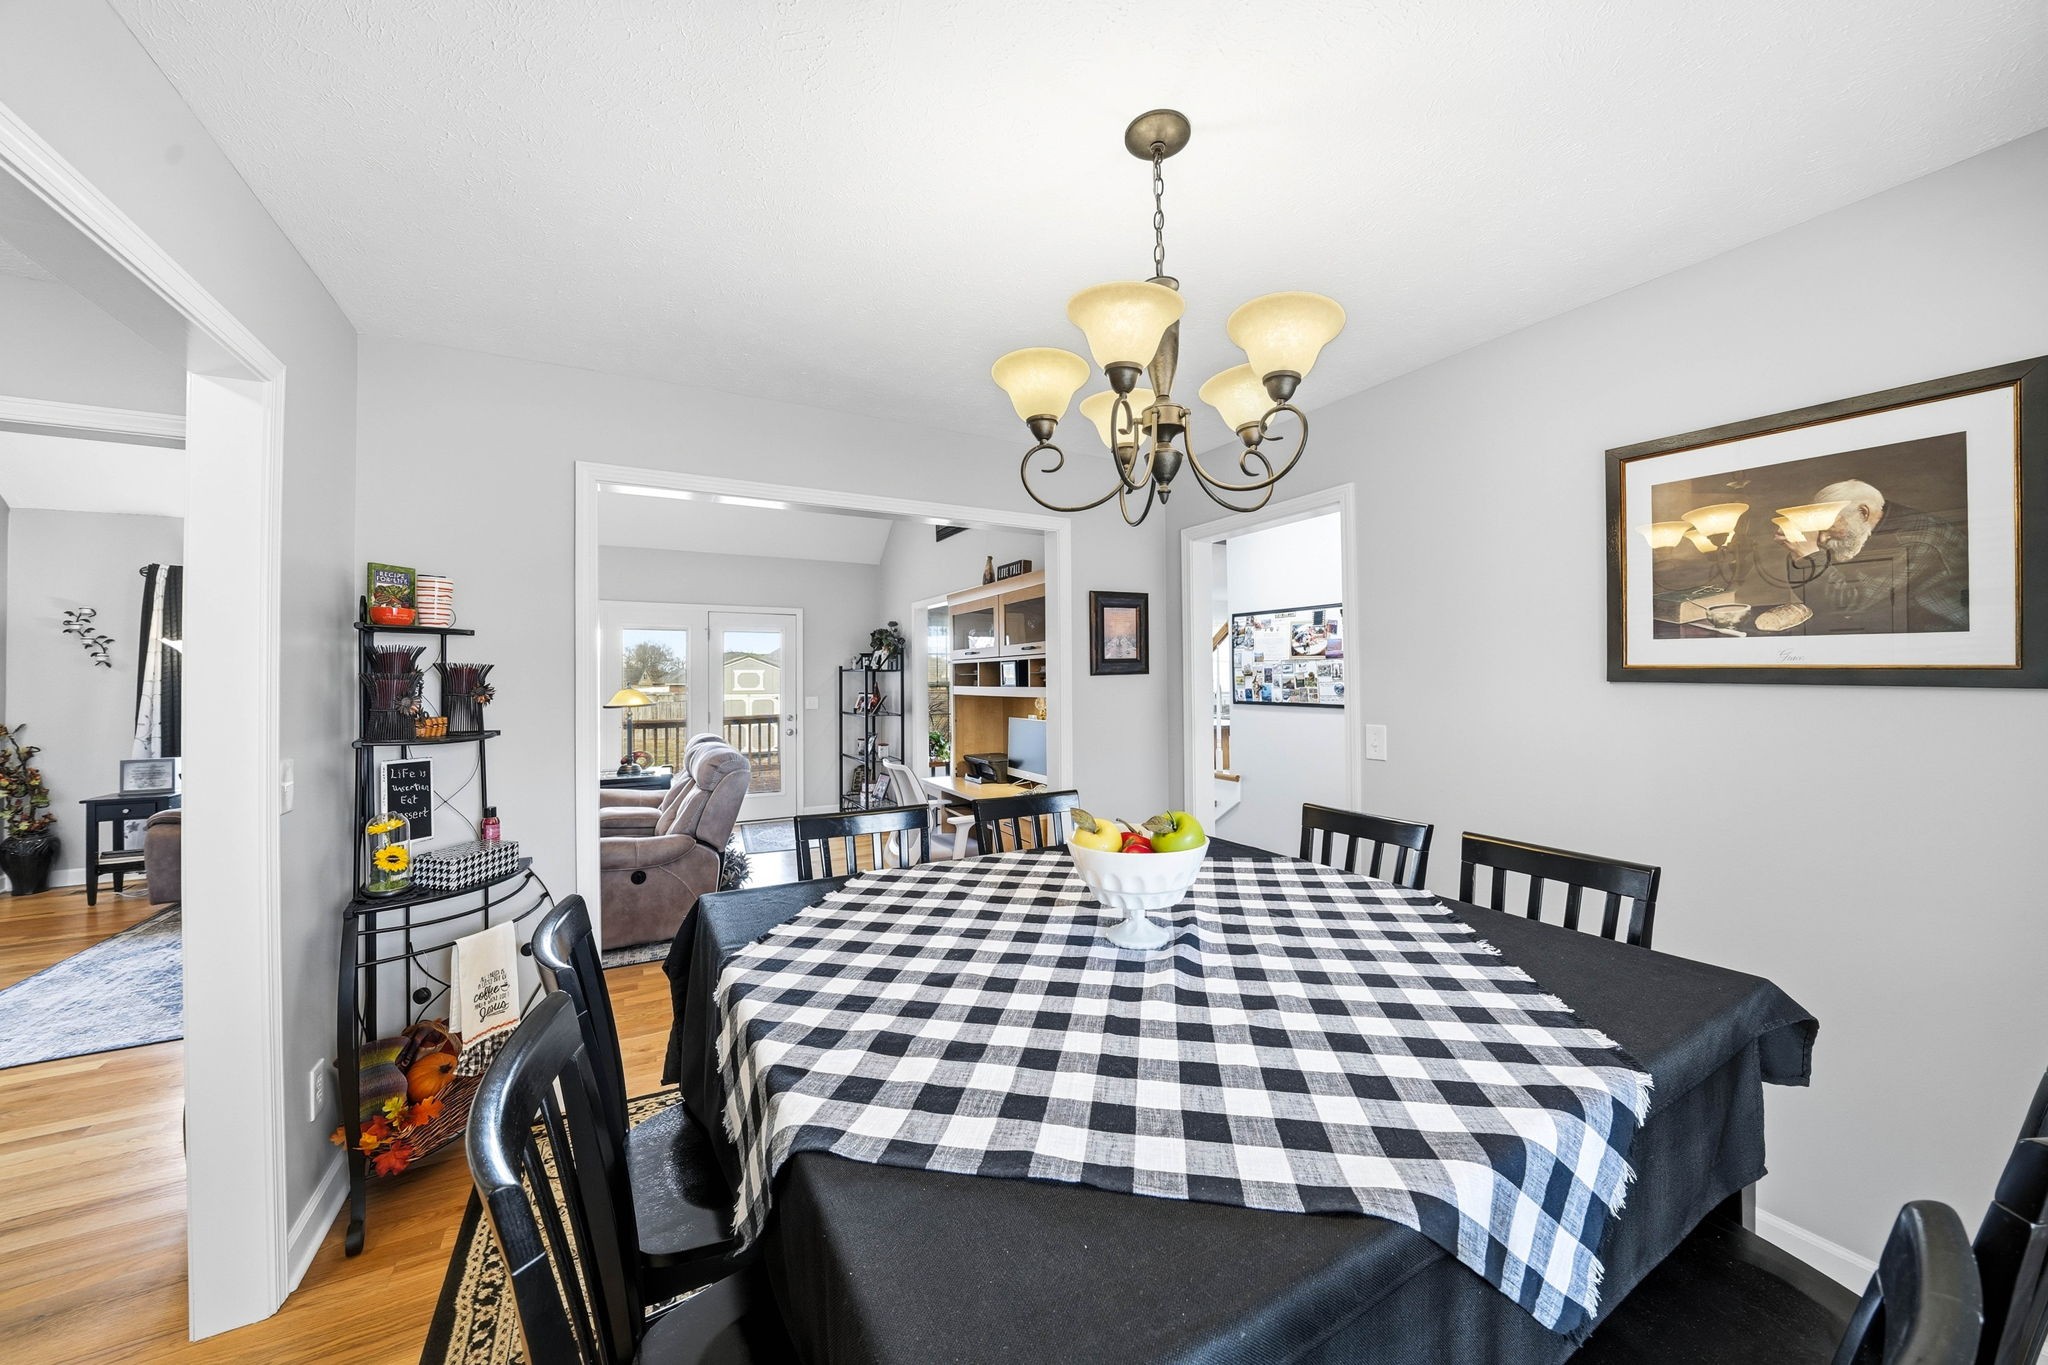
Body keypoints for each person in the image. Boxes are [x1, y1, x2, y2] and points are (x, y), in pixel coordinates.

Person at [1772, 478, 1967, 631]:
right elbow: (1817, 595)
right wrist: (1800, 554)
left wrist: (1808, 554)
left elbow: (1848, 604)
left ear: (1863, 512)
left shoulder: (1916, 539)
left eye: (1830, 526)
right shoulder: (1861, 527)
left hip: (1936, 630)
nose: (1822, 539)